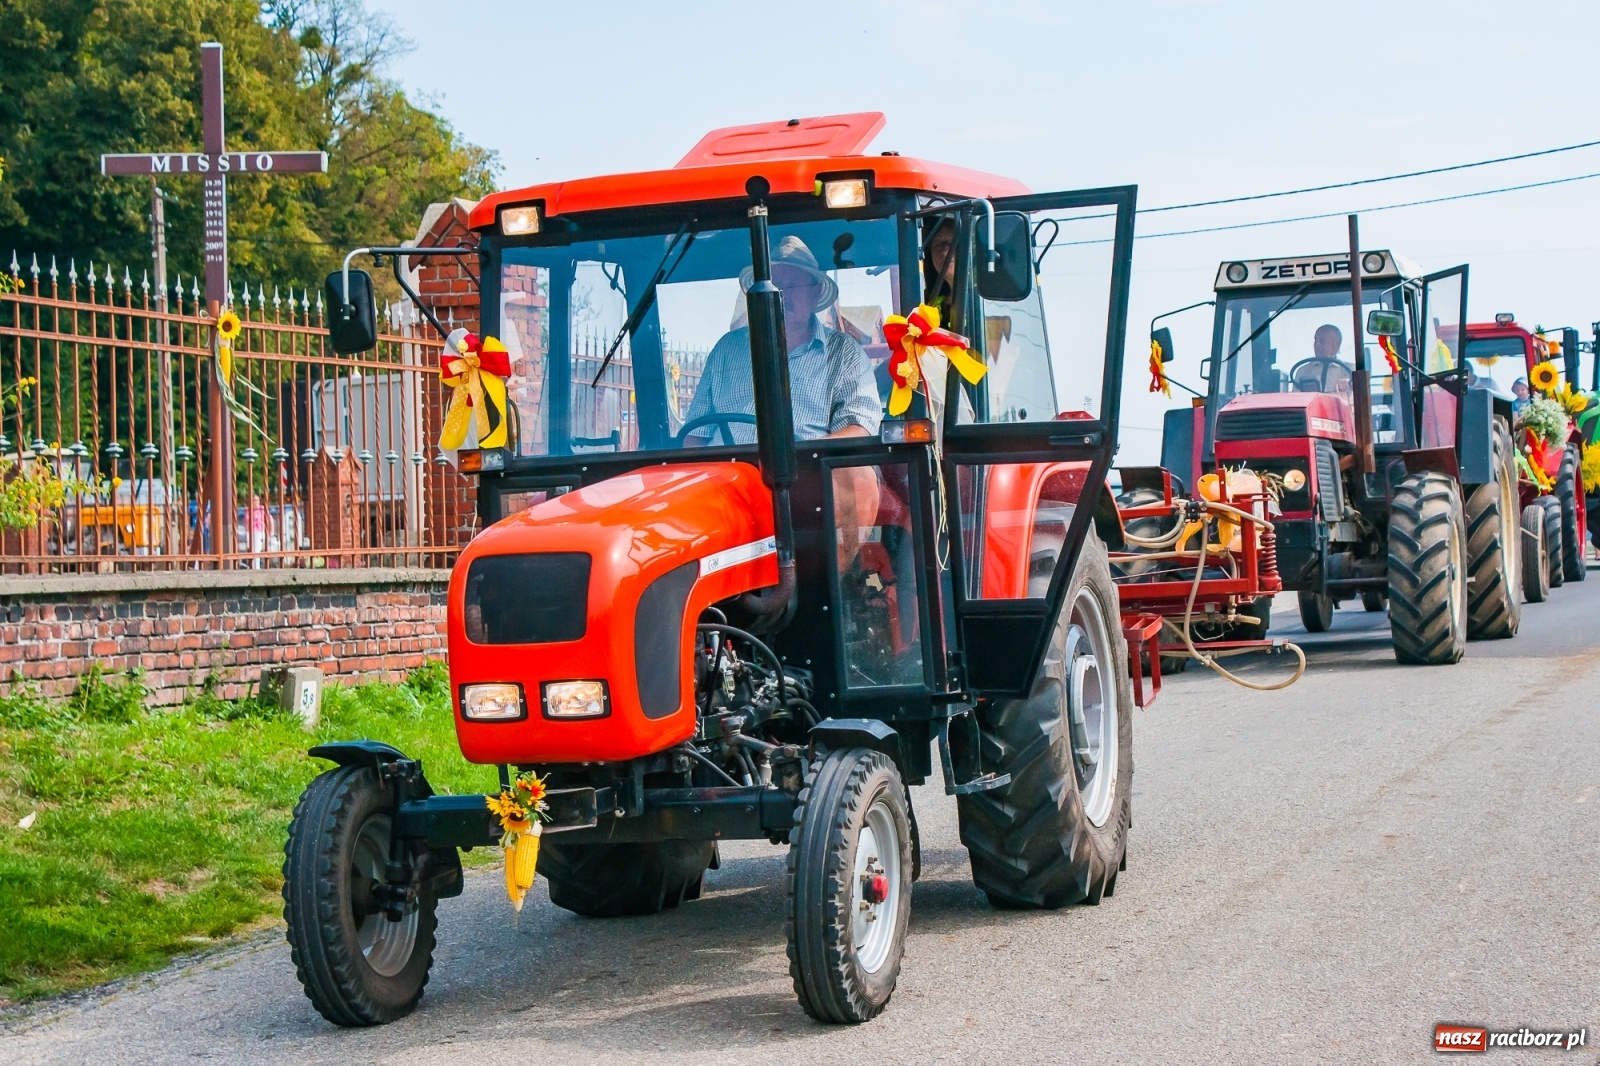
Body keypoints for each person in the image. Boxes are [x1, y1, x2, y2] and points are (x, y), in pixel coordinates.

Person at [685, 236, 881, 568]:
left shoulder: (843, 352)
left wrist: (797, 457)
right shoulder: (727, 350)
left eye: (793, 285)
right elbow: (694, 436)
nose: (781, 295)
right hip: (726, 482)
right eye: (774, 285)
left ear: (815, 293)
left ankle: (827, 581)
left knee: (856, 475)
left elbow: (858, 428)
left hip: (805, 481)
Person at [1291, 323, 1353, 396]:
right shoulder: (1302, 371)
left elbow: (1360, 390)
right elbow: (1296, 398)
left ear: (1336, 345)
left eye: (1322, 341)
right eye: (1315, 340)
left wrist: (1349, 382)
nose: (1317, 344)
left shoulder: (1351, 370)